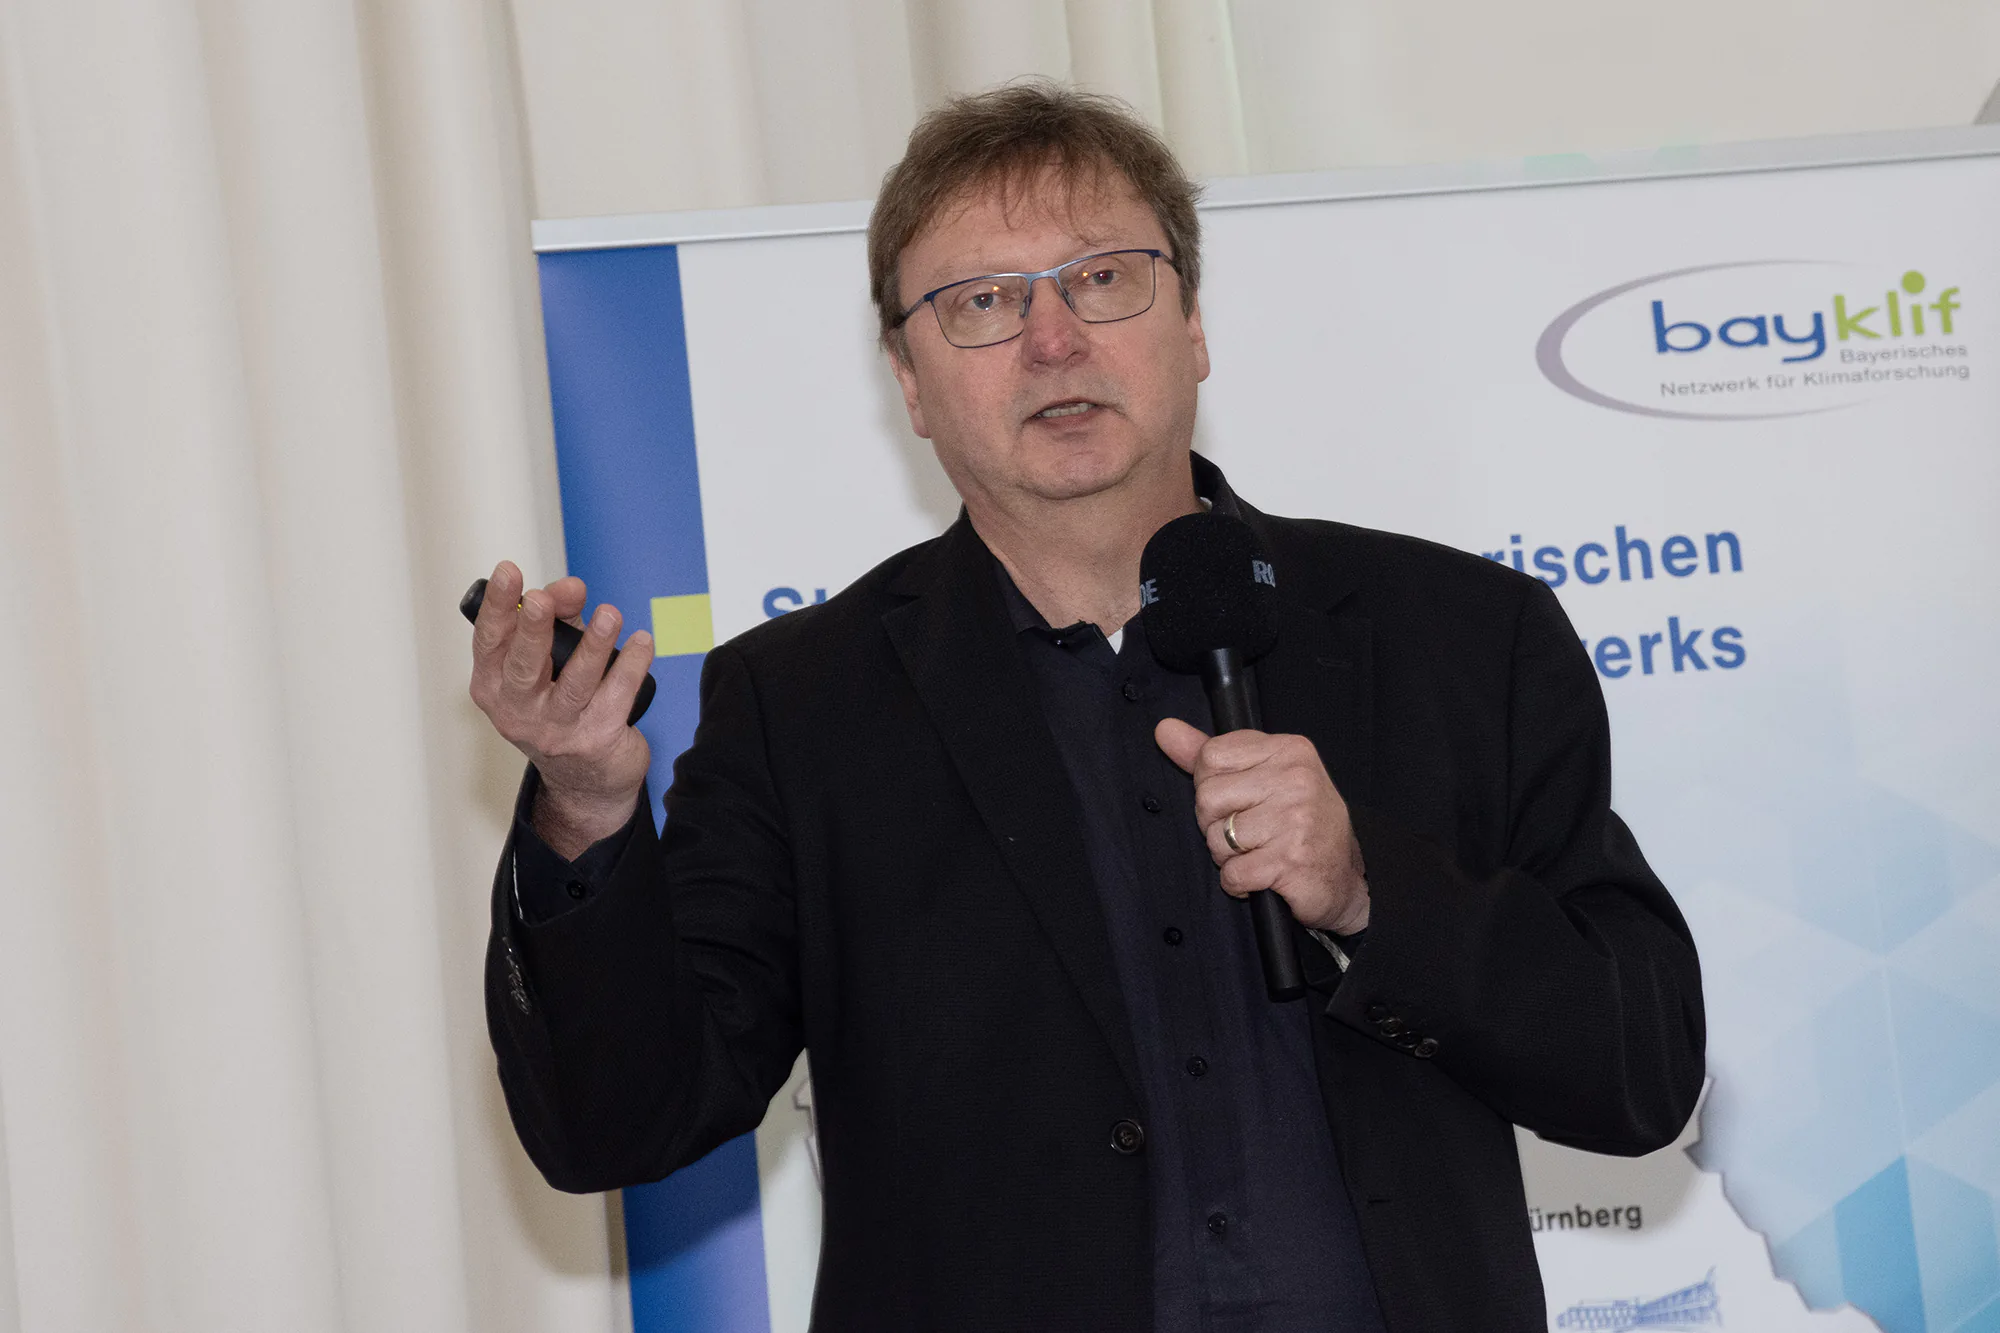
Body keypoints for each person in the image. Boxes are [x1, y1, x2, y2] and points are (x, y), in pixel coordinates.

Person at [468, 82, 1704, 1333]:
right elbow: (619, 1120)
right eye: (981, 303)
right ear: (907, 381)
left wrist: (1368, 892)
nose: (1052, 340)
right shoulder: (803, 704)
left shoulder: (1459, 635)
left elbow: (1640, 1070)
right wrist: (584, 808)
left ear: (1193, 323)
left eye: (1102, 278)